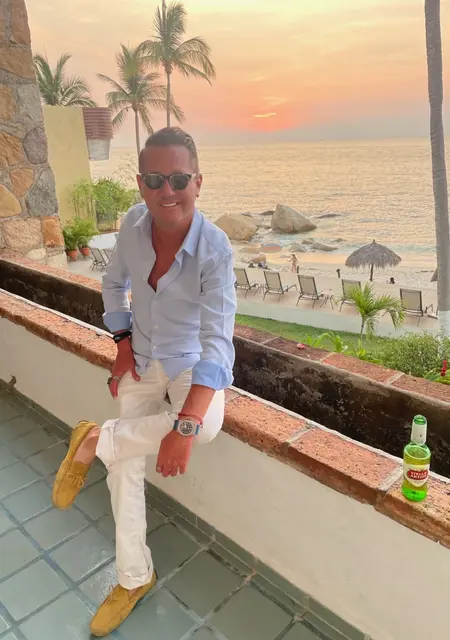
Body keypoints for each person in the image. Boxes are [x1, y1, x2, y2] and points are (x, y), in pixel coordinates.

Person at [51, 127, 237, 636]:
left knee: (208, 424)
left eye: (178, 178)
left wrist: (185, 426)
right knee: (126, 468)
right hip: (141, 355)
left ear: (198, 182)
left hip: (187, 362)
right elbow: (113, 283)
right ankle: (133, 578)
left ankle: (95, 439)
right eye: (155, 179)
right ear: (140, 183)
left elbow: (218, 344)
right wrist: (122, 343)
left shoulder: (215, 250)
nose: (166, 190)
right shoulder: (133, 225)